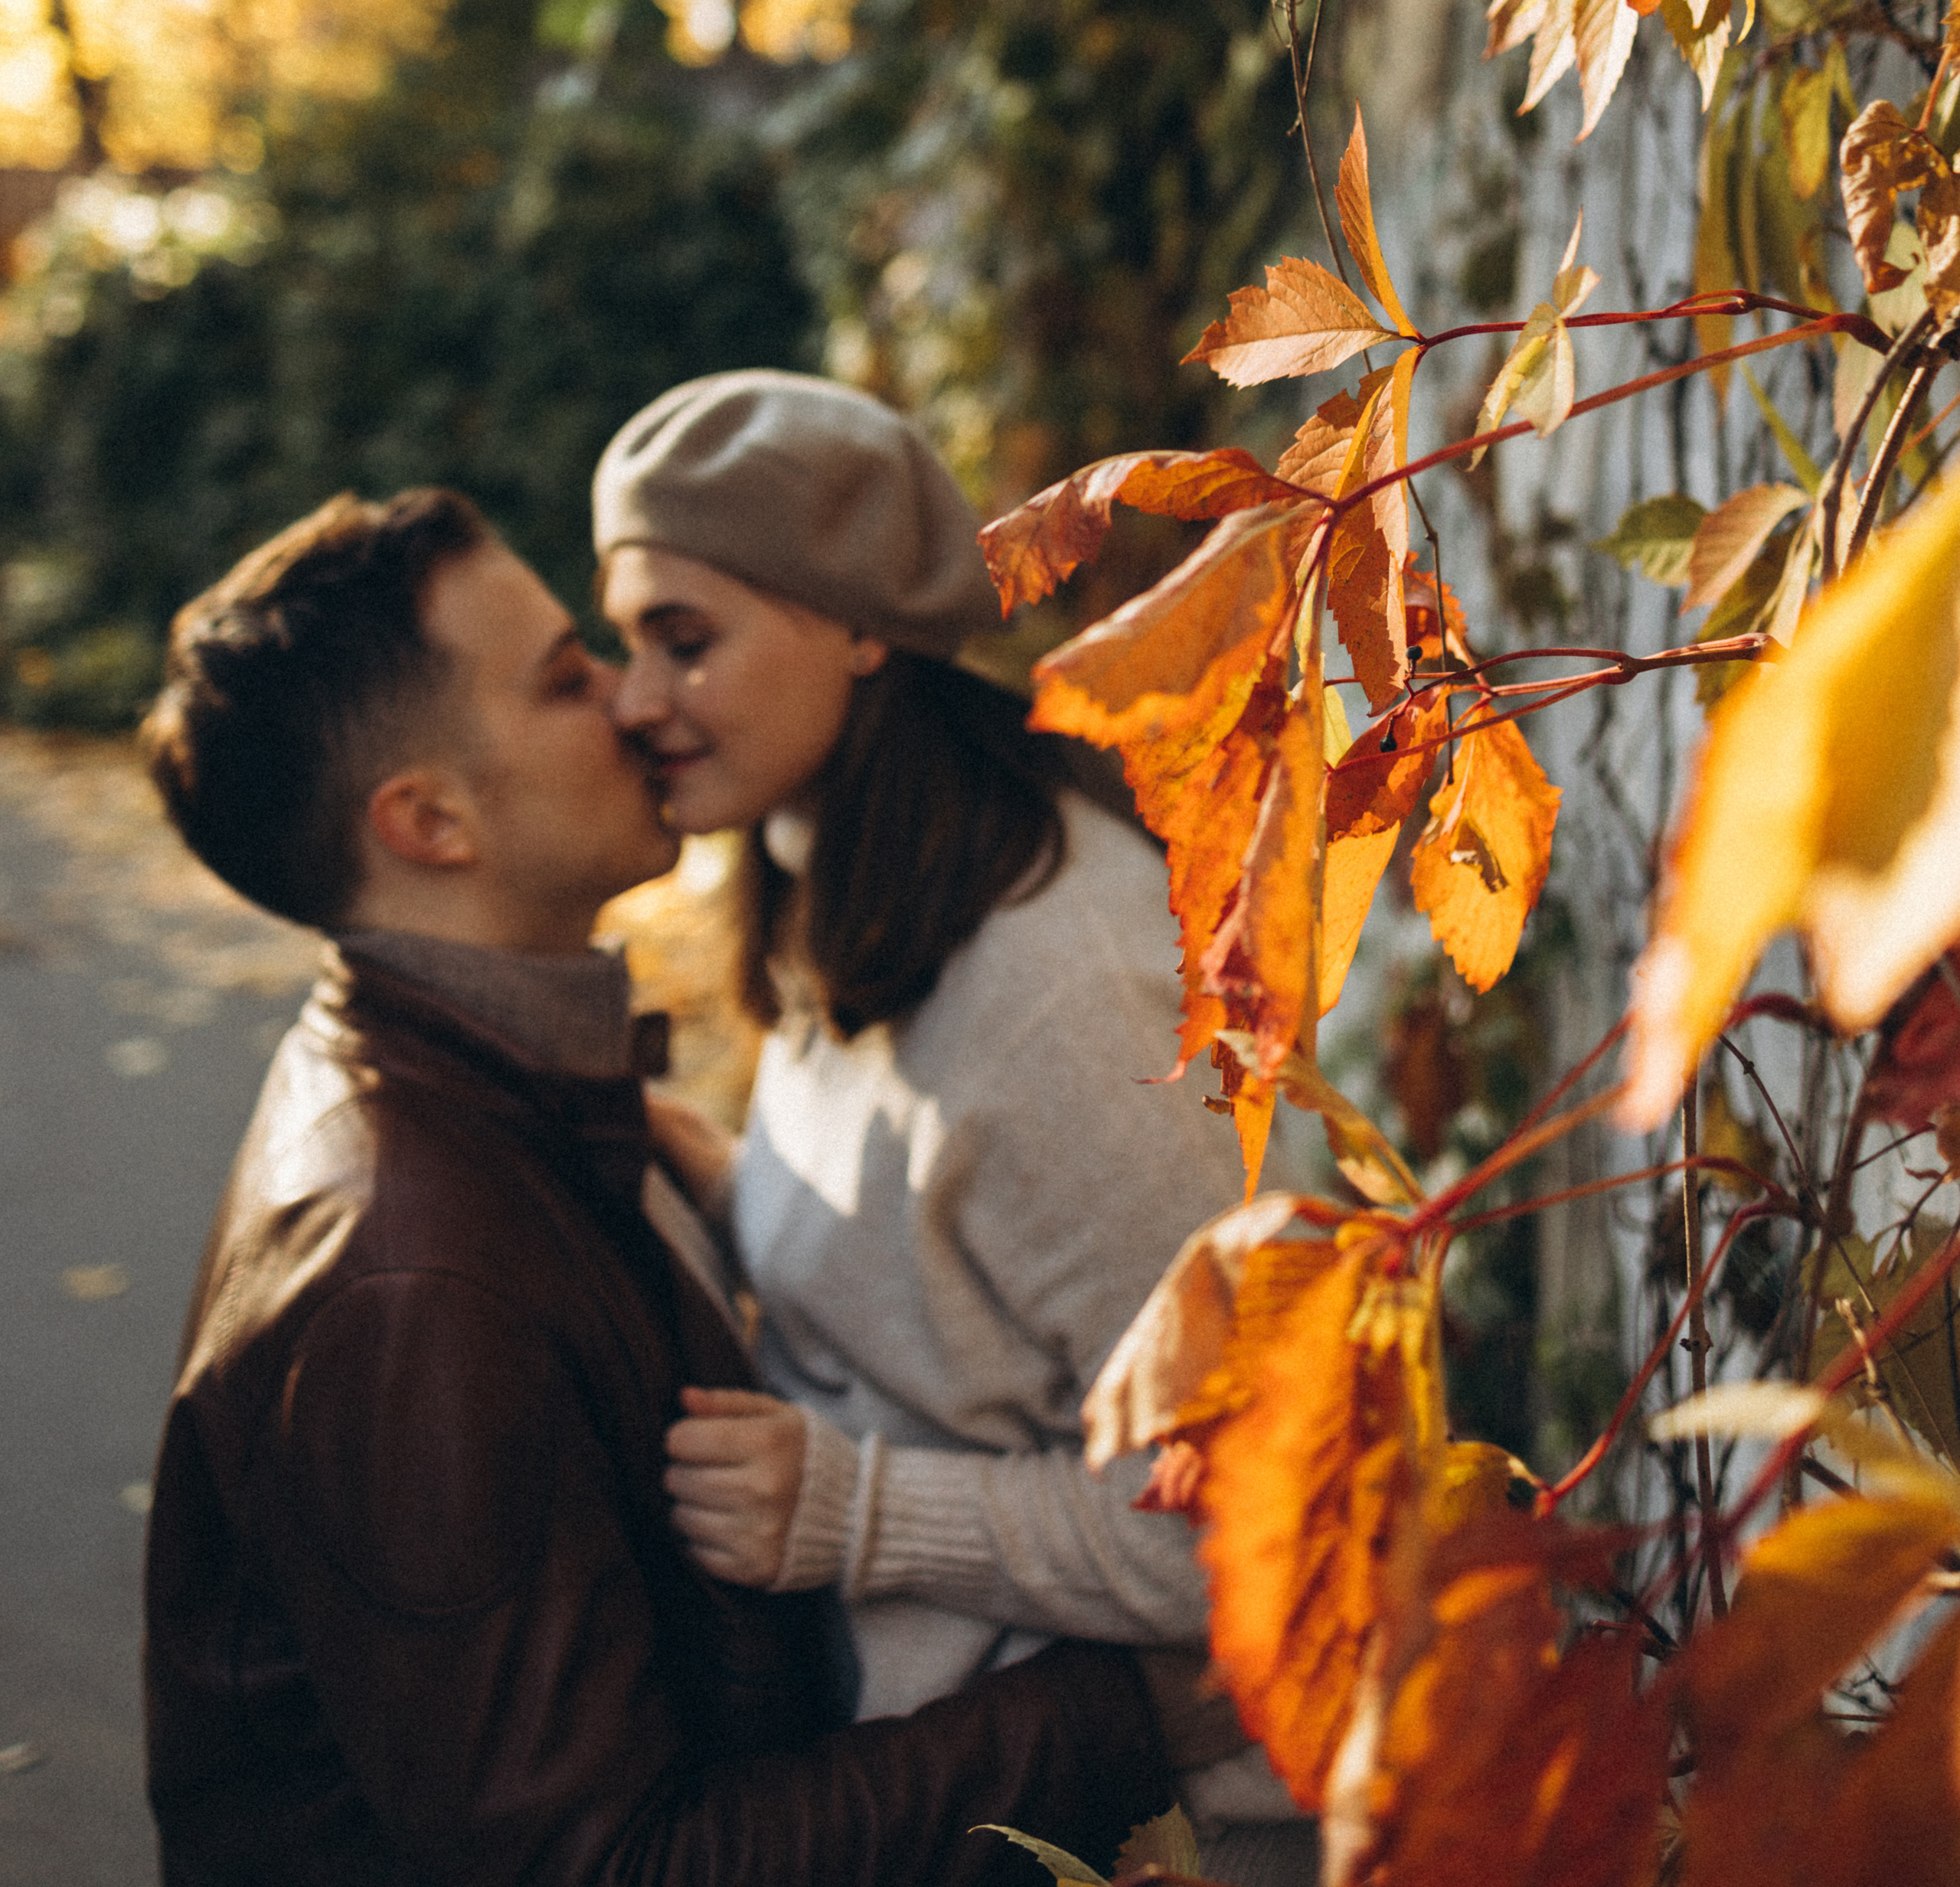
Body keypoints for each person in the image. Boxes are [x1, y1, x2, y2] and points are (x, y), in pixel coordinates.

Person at [139, 487, 1171, 1887]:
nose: (633, 705)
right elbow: (617, 1868)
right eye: (570, 679)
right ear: (430, 820)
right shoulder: (412, 1285)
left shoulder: (510, 1095)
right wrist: (1131, 1709)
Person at [594, 372, 1312, 1887]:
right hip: (953, 1773)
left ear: (863, 628)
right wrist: (734, 1186)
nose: (630, 700)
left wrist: (857, 1512)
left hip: (1168, 1826)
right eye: (622, 643)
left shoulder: (1065, 987)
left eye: (685, 639)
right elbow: (950, 1271)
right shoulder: (833, 878)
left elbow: (1251, 1515)